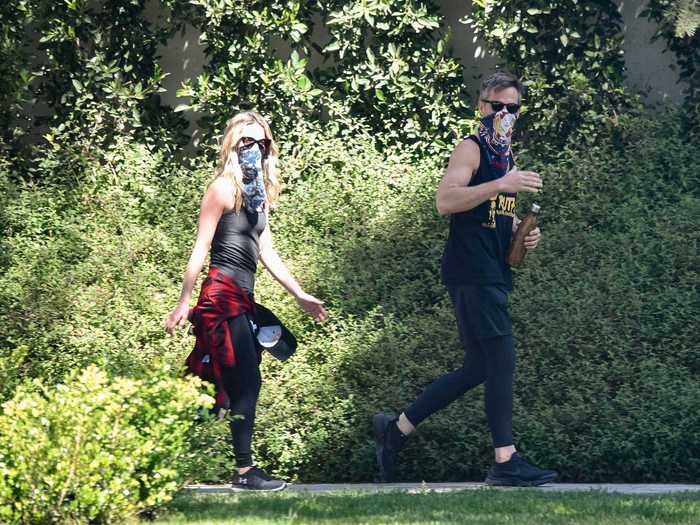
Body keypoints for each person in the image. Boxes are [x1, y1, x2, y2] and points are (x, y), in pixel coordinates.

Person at [373, 71, 558, 487]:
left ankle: (395, 430)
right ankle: (505, 460)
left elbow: (490, 215)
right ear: (482, 107)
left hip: (489, 269)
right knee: (503, 357)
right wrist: (501, 184)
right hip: (472, 271)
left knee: (478, 367)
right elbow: (446, 200)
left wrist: (520, 233)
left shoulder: (505, 156)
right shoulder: (471, 149)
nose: (505, 114)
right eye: (498, 107)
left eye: (513, 108)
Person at [165, 111, 327, 491]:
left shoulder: (259, 197)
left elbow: (266, 252)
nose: (254, 149)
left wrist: (299, 293)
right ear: (233, 145)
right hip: (221, 295)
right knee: (245, 380)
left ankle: (157, 453)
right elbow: (201, 246)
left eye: (261, 143)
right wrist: (183, 302)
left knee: (211, 380)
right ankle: (244, 471)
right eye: (246, 142)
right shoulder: (222, 188)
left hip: (243, 297)